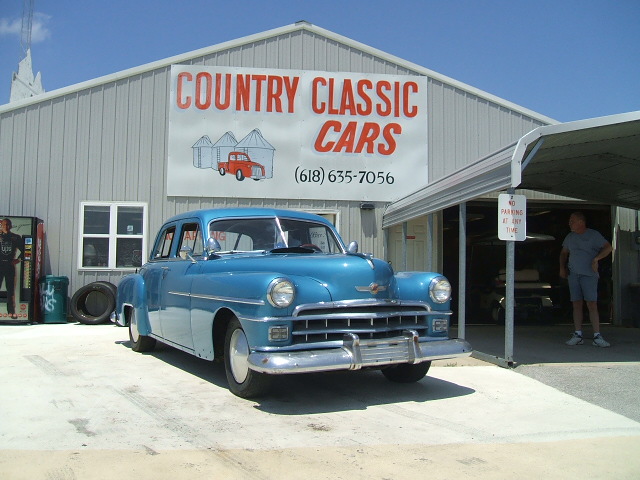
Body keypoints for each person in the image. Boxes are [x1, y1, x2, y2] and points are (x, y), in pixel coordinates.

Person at [559, 212, 612, 347]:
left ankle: (597, 336)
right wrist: (562, 268)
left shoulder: (594, 235)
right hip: (573, 274)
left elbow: (609, 247)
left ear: (581, 222)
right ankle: (578, 334)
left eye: (573, 221)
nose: (570, 223)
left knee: (591, 303)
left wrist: (596, 259)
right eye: (570, 221)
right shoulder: (570, 237)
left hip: (589, 274)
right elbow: (564, 253)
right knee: (576, 303)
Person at [0, 218, 24, 320]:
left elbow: (26, 250)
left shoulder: (15, 237)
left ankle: (11, 311)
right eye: (4, 225)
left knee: (10, 290)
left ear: (11, 226)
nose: (6, 227)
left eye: (8, 225)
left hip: (10, 266)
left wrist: (18, 260)